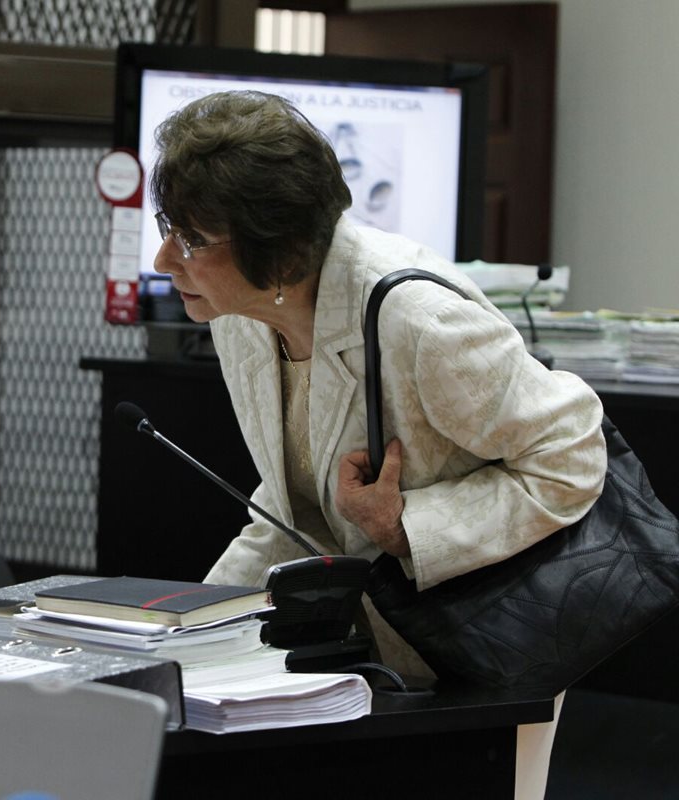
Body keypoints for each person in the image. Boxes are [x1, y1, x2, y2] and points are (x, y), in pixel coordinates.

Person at [149, 92, 604, 797]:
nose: (163, 257)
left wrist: (411, 527)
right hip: (368, 666)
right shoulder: (240, 315)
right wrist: (181, 635)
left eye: (191, 238)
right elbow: (290, 502)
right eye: (167, 226)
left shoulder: (417, 320)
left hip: (484, 651)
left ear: (277, 246)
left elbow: (573, 454)